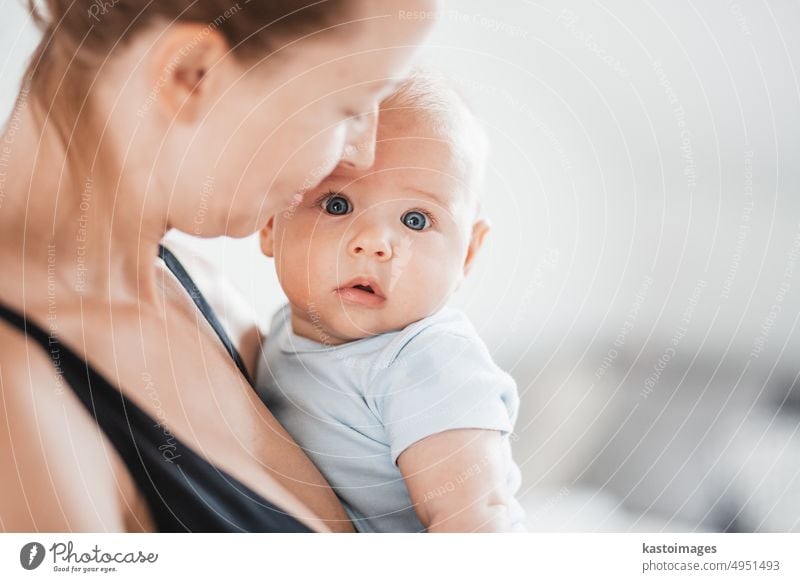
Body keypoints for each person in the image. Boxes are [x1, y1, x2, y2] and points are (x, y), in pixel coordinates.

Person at [0, 0, 436, 532]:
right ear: (191, 72)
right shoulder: (17, 403)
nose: (361, 155)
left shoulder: (207, 297)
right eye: (347, 108)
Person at [255, 72, 526, 532]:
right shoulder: (282, 330)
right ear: (269, 221)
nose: (375, 244)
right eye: (337, 204)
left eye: (416, 220)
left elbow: (475, 520)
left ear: (468, 254)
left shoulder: (427, 361)